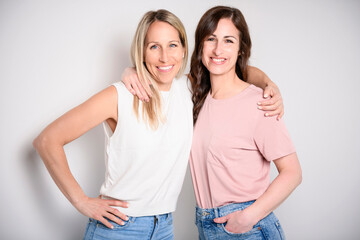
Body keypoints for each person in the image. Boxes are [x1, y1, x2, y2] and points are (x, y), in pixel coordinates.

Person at [33, 9, 192, 240]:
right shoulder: (120, 95)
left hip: (165, 228)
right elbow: (47, 140)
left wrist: (266, 83)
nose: (165, 57)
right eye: (154, 46)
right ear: (142, 51)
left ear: (184, 48)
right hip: (119, 228)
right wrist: (81, 200)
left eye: (173, 45)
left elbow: (236, 70)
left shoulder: (188, 89)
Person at [189, 6, 302, 239]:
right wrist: (131, 72)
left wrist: (249, 216)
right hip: (205, 224)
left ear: (241, 49)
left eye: (229, 40)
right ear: (200, 45)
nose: (218, 49)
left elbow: (292, 172)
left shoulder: (259, 103)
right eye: (211, 39)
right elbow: (157, 78)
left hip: (247, 228)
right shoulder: (196, 96)